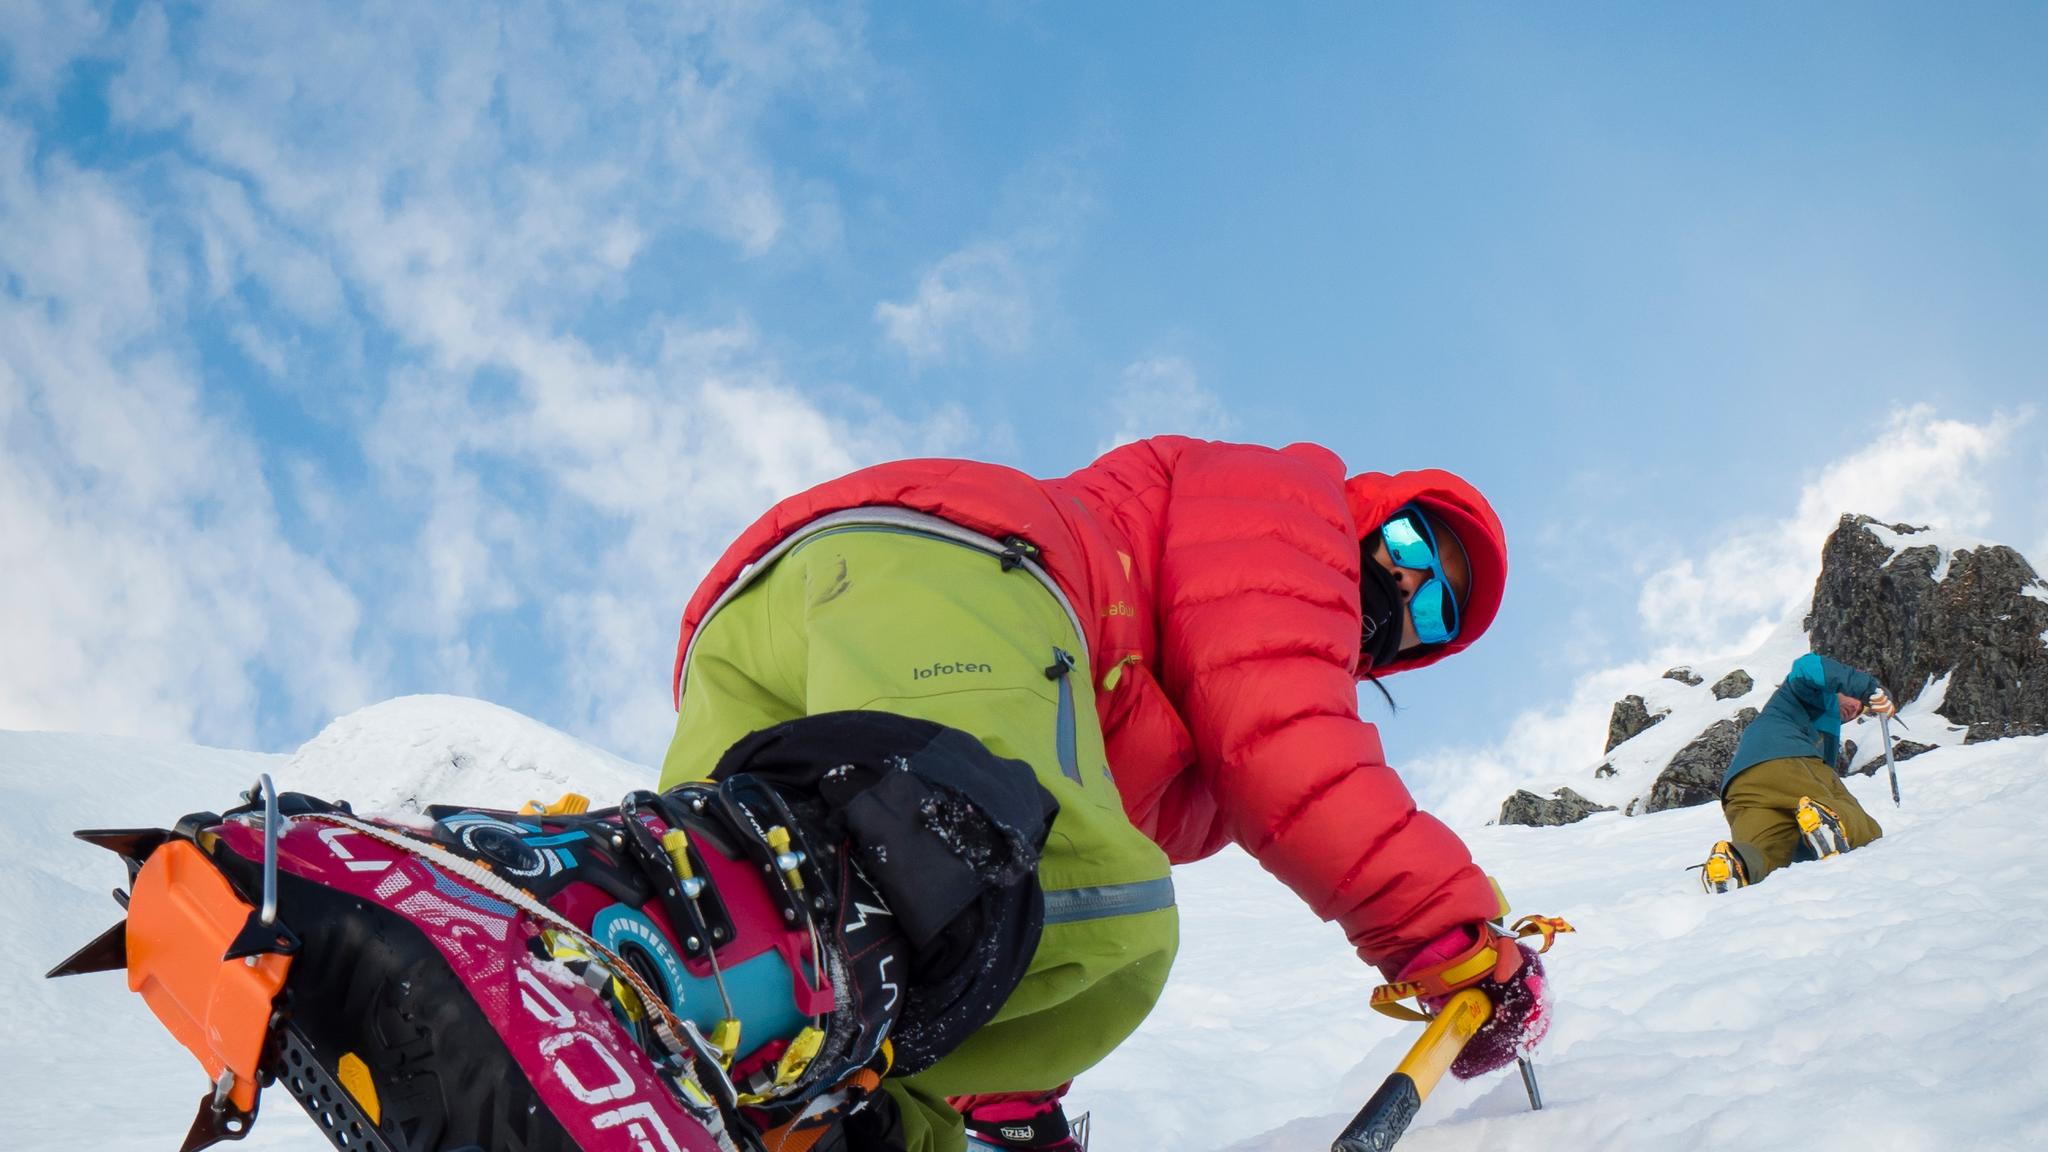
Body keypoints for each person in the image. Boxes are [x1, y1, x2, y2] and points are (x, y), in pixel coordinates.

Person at [658, 436, 1548, 1151]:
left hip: (761, 623)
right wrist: (1451, 939)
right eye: (1411, 548)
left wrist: (1018, 1093)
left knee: (724, 878)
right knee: (1107, 926)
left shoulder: (1179, 685)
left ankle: (650, 1009)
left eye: (1436, 610)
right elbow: (1286, 745)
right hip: (951, 570)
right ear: (1373, 517)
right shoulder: (1291, 514)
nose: (1407, 585)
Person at [1699, 653, 1895, 892]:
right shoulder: (1809, 693)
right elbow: (1808, 665)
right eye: (1855, 700)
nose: (1856, 709)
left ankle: (1732, 865)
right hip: (1787, 761)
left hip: (1741, 788)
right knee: (1862, 825)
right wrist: (1869, 689)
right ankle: (1828, 819)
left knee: (1769, 853)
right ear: (1837, 687)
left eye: (1860, 711)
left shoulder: (1812, 726)